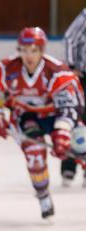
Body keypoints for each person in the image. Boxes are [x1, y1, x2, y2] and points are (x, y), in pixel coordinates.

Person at [0, 27, 84, 219]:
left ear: (42, 50)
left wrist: (62, 132)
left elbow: (69, 107)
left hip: (55, 115)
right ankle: (43, 196)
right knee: (34, 154)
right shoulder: (5, 70)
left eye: (34, 50)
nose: (29, 56)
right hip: (26, 117)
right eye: (25, 50)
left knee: (81, 141)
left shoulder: (57, 72)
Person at [63, 8, 86, 187]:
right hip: (82, 77)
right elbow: (70, 38)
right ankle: (69, 167)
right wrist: (72, 67)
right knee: (77, 121)